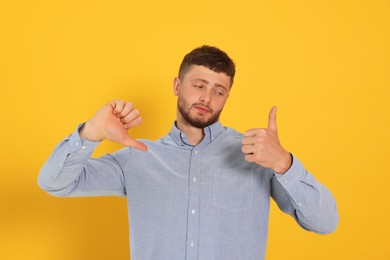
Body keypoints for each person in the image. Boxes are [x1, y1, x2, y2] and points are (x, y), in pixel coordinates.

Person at [38, 45, 338, 260]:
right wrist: (91, 132)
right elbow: (54, 183)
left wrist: (284, 163)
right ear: (177, 85)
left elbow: (325, 223)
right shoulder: (137, 157)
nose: (207, 98)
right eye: (199, 85)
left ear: (227, 98)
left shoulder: (256, 155)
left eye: (219, 91)